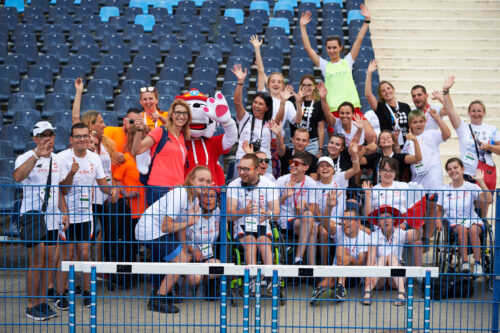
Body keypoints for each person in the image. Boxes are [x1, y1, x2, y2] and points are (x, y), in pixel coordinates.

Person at [135, 166, 212, 313]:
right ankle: (158, 298)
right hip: (149, 231)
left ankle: (164, 292)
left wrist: (183, 248)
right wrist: (189, 223)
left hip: (159, 231)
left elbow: (181, 228)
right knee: (181, 260)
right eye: (201, 180)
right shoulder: (180, 194)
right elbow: (166, 226)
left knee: (181, 258)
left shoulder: (194, 199)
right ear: (191, 180)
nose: (205, 184)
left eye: (208, 181)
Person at [13, 121, 70, 320]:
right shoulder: (25, 157)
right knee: (36, 261)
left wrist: (65, 212)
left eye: (51, 135)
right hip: (32, 217)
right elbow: (18, 176)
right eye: (43, 135)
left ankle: (42, 301)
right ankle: (32, 304)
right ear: (35, 138)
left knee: (49, 261)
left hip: (53, 217)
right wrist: (37, 155)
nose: (48, 139)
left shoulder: (58, 160)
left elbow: (60, 190)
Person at [57, 123, 118, 308]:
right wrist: (71, 174)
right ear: (71, 139)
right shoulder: (61, 158)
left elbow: (102, 184)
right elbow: (62, 190)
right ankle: (62, 294)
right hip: (65, 213)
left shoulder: (94, 158)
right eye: (78, 136)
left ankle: (86, 292)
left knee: (84, 253)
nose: (82, 139)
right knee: (66, 254)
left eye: (85, 136)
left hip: (85, 214)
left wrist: (112, 190)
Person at [300, 5, 371, 118]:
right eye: (329, 48)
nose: (332, 50)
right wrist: (302, 27)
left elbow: (358, 40)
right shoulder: (324, 65)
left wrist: (367, 21)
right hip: (333, 109)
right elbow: (308, 48)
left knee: (371, 136)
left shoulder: (348, 61)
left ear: (340, 48)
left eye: (334, 47)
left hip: (351, 107)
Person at [227, 154, 280, 292]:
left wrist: (268, 214)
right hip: (243, 225)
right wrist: (244, 211)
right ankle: (252, 278)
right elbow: (229, 215)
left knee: (263, 242)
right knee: (250, 242)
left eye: (246, 169)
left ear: (257, 169)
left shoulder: (269, 185)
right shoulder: (233, 185)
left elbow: (277, 213)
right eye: (240, 169)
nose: (241, 172)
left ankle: (270, 279)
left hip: (262, 224)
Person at [362, 157, 425, 267]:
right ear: (379, 171)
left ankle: (417, 274)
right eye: (385, 170)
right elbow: (368, 215)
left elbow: (411, 207)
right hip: (380, 226)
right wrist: (368, 195)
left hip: (403, 224)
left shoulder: (404, 186)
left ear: (395, 172)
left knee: (418, 240)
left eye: (391, 170)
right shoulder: (375, 189)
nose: (388, 173)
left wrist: (403, 223)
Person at [401, 109, 451, 243]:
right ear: (410, 124)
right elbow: (403, 158)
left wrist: (437, 117)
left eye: (421, 121)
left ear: (425, 122)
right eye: (415, 122)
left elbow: (447, 134)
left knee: (431, 209)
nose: (419, 124)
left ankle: (426, 238)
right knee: (419, 210)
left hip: (433, 179)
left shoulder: (432, 133)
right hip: (417, 180)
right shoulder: (407, 140)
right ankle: (418, 237)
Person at [441, 76, 500, 190]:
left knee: (484, 205)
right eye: (473, 111)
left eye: (479, 111)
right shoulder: (463, 127)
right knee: (466, 207)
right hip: (467, 173)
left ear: (484, 113)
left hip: (485, 173)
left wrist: (490, 147)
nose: (476, 113)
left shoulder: (492, 129)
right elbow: (451, 110)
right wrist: (445, 91)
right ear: (469, 112)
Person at [131, 99, 192, 205]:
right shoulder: (160, 131)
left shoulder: (183, 136)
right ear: (172, 114)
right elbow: (137, 150)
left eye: (184, 113)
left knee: (172, 221)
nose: (181, 116)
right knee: (160, 221)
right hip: (159, 188)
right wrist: (139, 131)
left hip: (177, 189)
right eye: (177, 112)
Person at [437, 158, 492, 274]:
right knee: (462, 229)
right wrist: (438, 220)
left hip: (472, 219)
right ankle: (465, 263)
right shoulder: (443, 189)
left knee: (472, 229)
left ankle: (477, 264)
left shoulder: (470, 186)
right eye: (449, 169)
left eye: (455, 167)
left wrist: (481, 182)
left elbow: (489, 200)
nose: (453, 170)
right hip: (454, 222)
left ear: (463, 169)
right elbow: (439, 209)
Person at [310, 208, 371, 305]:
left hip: (354, 275)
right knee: (327, 279)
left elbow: (361, 262)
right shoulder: (339, 230)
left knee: (341, 249)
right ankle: (320, 290)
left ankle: (340, 286)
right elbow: (325, 222)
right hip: (336, 272)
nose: (344, 222)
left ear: (358, 223)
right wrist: (329, 206)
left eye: (349, 219)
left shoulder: (364, 237)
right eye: (343, 219)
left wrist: (350, 259)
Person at [362, 208, 420, 306]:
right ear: (379, 222)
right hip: (379, 277)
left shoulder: (400, 233)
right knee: (384, 258)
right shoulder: (374, 235)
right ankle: (367, 291)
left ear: (394, 219)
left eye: (388, 217)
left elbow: (417, 236)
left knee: (391, 257)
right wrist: (367, 280)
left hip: (396, 277)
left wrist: (418, 222)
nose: (385, 220)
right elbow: (370, 261)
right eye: (381, 218)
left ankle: (401, 293)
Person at [314, 153, 360, 265]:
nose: (325, 168)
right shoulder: (314, 185)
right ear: (318, 170)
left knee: (367, 231)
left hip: (342, 221)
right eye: (321, 166)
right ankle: (324, 266)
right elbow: (315, 211)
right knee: (324, 232)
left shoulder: (339, 178)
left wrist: (354, 154)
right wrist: (328, 222)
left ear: (333, 170)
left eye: (328, 165)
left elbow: (356, 169)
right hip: (323, 221)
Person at [275, 151, 317, 265]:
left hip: (302, 221)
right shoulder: (281, 180)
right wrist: (285, 196)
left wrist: (304, 203)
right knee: (311, 225)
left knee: (311, 223)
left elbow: (313, 210)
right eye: (291, 162)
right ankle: (305, 264)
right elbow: (272, 206)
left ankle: (301, 261)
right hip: (284, 219)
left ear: (306, 167)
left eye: (297, 163)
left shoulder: (311, 183)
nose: (293, 165)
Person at [231, 64, 274, 170]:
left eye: (260, 104)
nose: (256, 106)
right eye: (255, 102)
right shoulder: (245, 118)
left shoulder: (271, 123)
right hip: (243, 159)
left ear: (267, 108)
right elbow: (237, 102)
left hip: (263, 162)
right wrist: (240, 82)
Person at [365, 60, 412, 146]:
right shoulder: (380, 107)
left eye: (388, 88)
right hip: (390, 145)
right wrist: (369, 72)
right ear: (381, 95)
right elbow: (368, 94)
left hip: (407, 144)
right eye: (383, 91)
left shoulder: (405, 106)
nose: (387, 91)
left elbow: (411, 125)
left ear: (393, 89)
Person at [288, 75, 327, 157]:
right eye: (304, 85)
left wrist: (320, 150)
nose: (306, 87)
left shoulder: (318, 103)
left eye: (309, 85)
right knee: (292, 167)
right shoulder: (293, 100)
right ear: (300, 86)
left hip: (311, 144)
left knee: (308, 168)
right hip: (295, 142)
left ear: (314, 87)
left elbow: (321, 129)